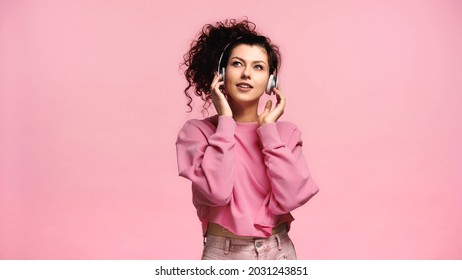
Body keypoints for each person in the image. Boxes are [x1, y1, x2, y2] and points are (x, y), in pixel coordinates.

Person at [176, 18, 319, 260]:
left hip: (279, 252)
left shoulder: (286, 133)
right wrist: (225, 121)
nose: (246, 74)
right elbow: (216, 192)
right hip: (224, 254)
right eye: (237, 64)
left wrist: (269, 133)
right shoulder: (197, 132)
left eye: (258, 67)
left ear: (270, 82)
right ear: (221, 73)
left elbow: (293, 197)